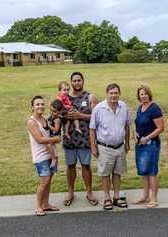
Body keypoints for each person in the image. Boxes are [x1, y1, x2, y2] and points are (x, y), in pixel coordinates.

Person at [90, 83, 131, 210]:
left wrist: (127, 142)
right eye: (111, 93)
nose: (113, 95)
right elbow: (92, 129)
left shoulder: (123, 106)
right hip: (104, 147)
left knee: (118, 173)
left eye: (116, 93)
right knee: (106, 173)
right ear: (107, 94)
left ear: (119, 94)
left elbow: (127, 126)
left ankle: (116, 197)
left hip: (119, 146)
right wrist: (93, 146)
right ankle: (107, 197)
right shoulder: (98, 109)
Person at [62, 72, 98, 206]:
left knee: (86, 166)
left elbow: (96, 117)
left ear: (83, 81)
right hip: (69, 137)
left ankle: (89, 192)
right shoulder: (64, 97)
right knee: (70, 166)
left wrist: (80, 115)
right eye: (74, 81)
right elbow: (58, 114)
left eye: (79, 80)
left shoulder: (90, 97)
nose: (77, 83)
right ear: (71, 82)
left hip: (85, 138)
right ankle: (70, 192)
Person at [26, 95, 62, 216]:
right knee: (44, 181)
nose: (40, 106)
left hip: (50, 154)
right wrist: (55, 139)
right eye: (37, 104)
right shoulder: (31, 122)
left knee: (49, 180)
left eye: (42, 104)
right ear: (32, 107)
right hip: (40, 156)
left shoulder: (44, 119)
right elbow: (40, 140)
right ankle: (38, 207)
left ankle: (46, 205)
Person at [133, 85, 164, 208]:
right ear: (138, 96)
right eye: (141, 94)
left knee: (151, 171)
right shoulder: (140, 107)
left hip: (151, 144)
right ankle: (144, 196)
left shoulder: (154, 108)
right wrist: (135, 132)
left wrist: (147, 138)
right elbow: (137, 123)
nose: (143, 96)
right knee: (143, 171)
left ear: (149, 94)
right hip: (140, 144)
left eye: (145, 93)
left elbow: (161, 128)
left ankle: (154, 198)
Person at [47, 99, 63, 168]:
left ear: (59, 111)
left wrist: (49, 125)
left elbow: (56, 130)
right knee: (53, 147)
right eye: (51, 110)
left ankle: (53, 159)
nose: (52, 113)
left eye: (54, 111)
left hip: (56, 135)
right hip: (52, 135)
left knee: (49, 145)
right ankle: (55, 159)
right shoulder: (52, 116)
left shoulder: (57, 120)